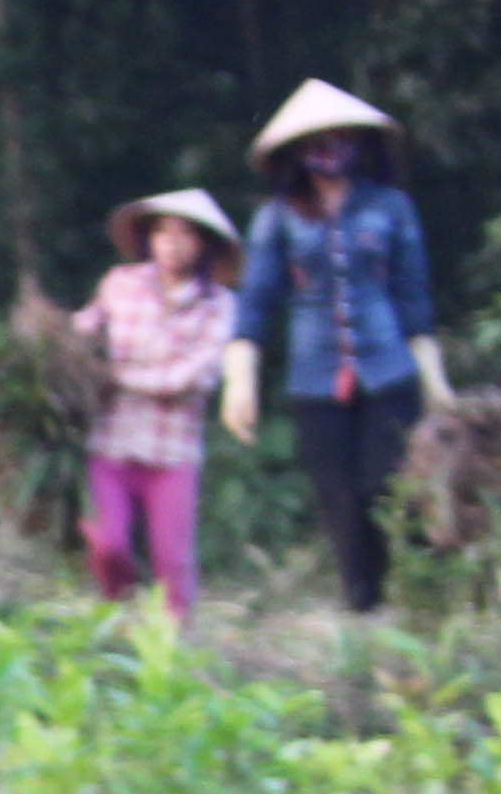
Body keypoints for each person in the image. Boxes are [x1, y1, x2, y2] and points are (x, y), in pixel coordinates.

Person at [223, 80, 455, 614]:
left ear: (360, 142)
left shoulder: (392, 208)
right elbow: (255, 303)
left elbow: (414, 300)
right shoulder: (277, 217)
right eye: (315, 140)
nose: (328, 148)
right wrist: (241, 382)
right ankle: (362, 607)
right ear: (295, 152)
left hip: (389, 370)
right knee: (340, 500)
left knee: (388, 484)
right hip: (315, 379)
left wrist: (435, 383)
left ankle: (419, 588)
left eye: (339, 137)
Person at [74, 191, 239, 620]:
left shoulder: (219, 305)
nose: (173, 242)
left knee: (173, 563)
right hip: (111, 441)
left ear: (204, 243)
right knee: (107, 544)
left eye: (186, 234)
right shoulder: (120, 283)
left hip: (172, 452)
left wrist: (117, 378)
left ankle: (175, 654)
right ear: (150, 238)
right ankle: (116, 624)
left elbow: (192, 376)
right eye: (163, 231)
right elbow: (83, 331)